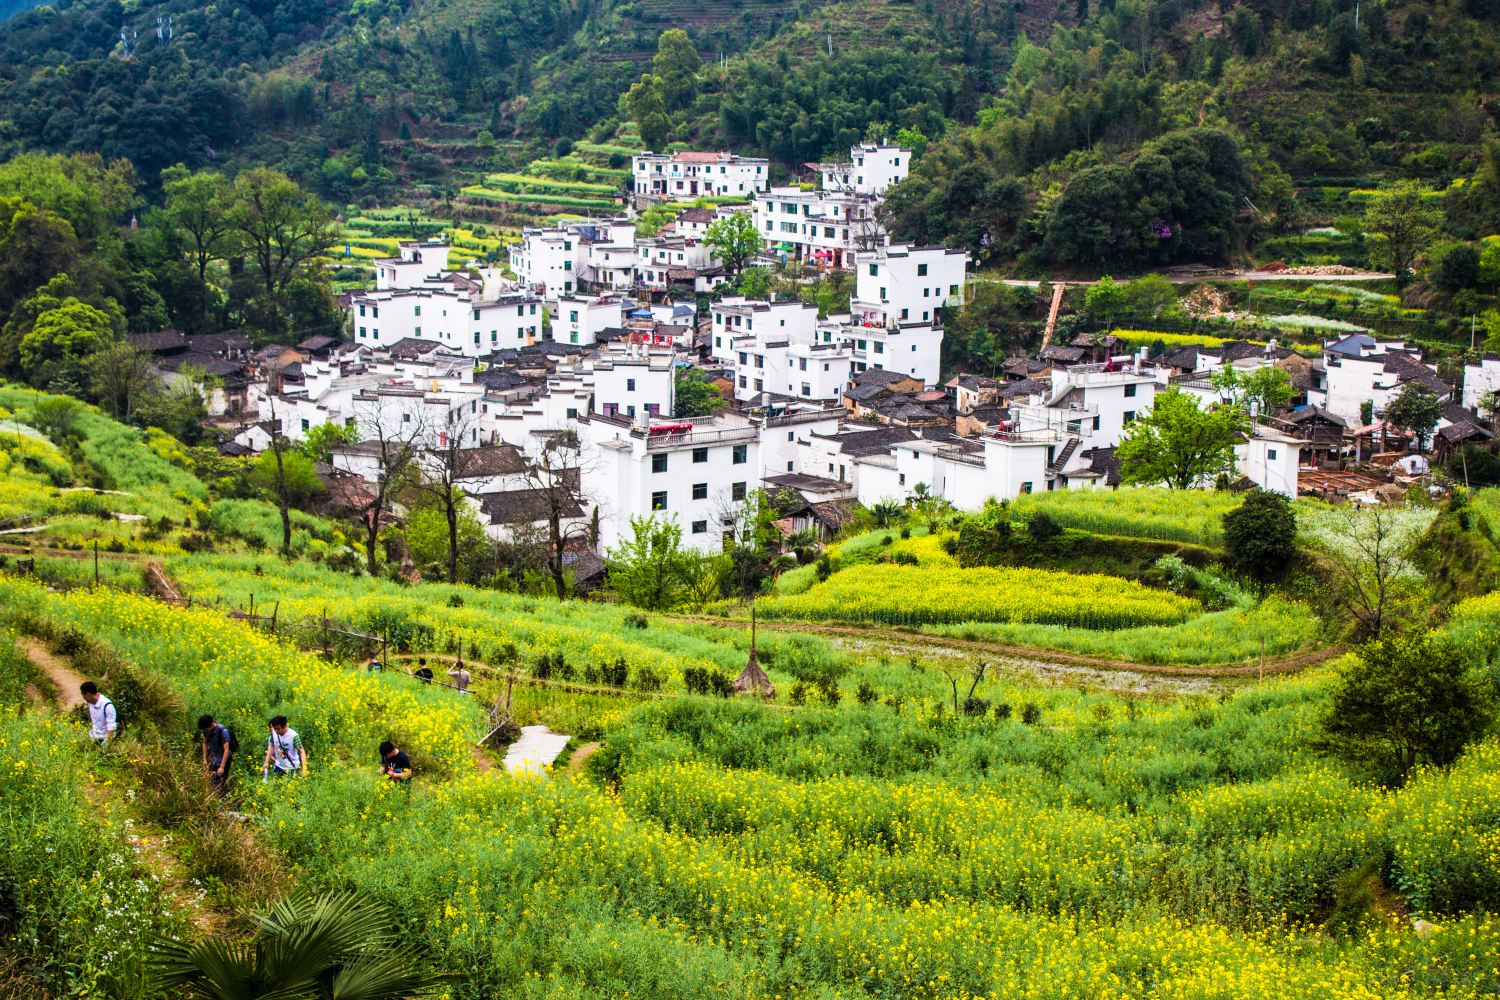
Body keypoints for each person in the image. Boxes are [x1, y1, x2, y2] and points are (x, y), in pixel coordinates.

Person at [198, 714, 237, 794]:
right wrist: (205, 759)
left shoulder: (223, 732)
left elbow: (226, 750)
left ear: (212, 724)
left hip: (223, 759)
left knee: (221, 782)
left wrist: (222, 767)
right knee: (211, 779)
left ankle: (222, 798)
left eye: (206, 729)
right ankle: (212, 796)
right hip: (214, 759)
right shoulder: (206, 731)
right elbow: (205, 743)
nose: (205, 731)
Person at [261, 715, 308, 780]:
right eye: (274, 729)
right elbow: (271, 746)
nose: (276, 731)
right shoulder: (274, 733)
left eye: (278, 729)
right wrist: (266, 762)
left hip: (292, 767)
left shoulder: (293, 736)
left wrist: (304, 769)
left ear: (285, 726)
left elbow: (301, 751)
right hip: (278, 766)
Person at [80, 682, 117, 746]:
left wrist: (106, 745)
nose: (84, 698)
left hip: (104, 738)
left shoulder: (107, 706)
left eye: (84, 696)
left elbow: (111, 727)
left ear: (88, 694)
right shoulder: (90, 703)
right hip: (94, 736)